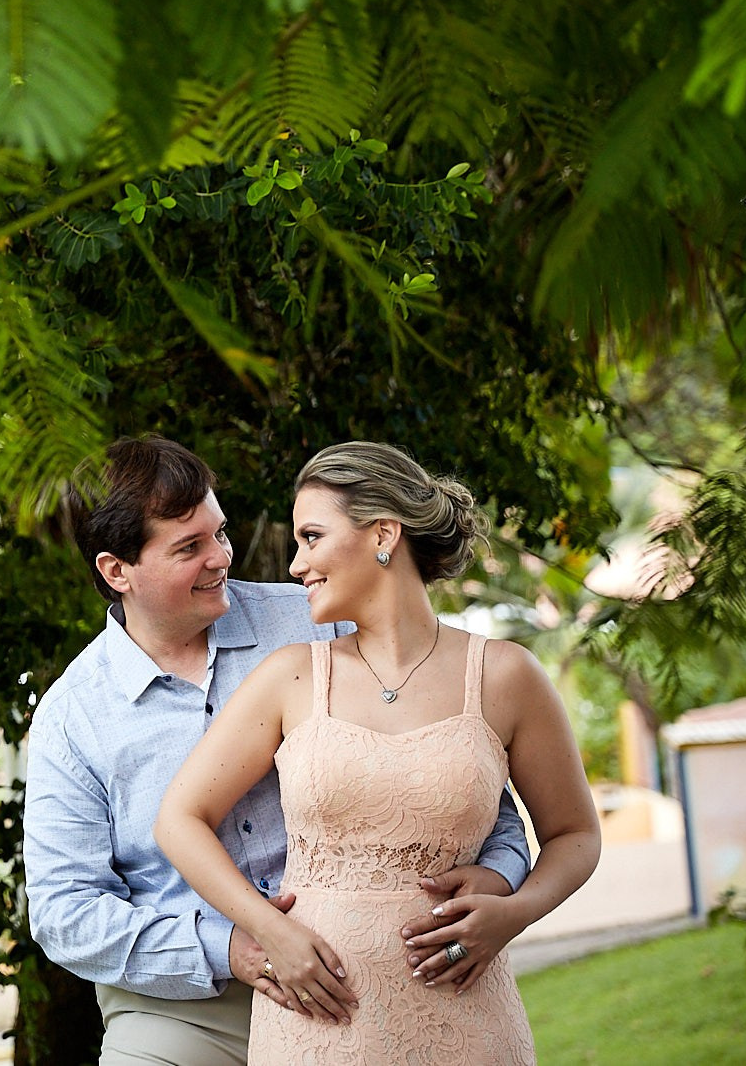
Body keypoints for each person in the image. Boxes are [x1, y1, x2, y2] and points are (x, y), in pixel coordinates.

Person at [25, 437, 530, 1066]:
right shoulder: (72, 717)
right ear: (116, 571)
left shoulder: (321, 620)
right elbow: (64, 913)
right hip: (186, 1005)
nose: (219, 560)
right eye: (189, 548)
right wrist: (231, 946)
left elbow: (458, 782)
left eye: (220, 534)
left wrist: (502, 875)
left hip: (357, 978)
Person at [155, 442, 601, 1064]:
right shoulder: (290, 678)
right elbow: (179, 819)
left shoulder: (505, 676)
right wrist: (269, 929)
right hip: (317, 1026)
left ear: (383, 534)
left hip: (467, 1020)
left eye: (312, 537)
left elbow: (575, 834)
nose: (295, 565)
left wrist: (514, 913)